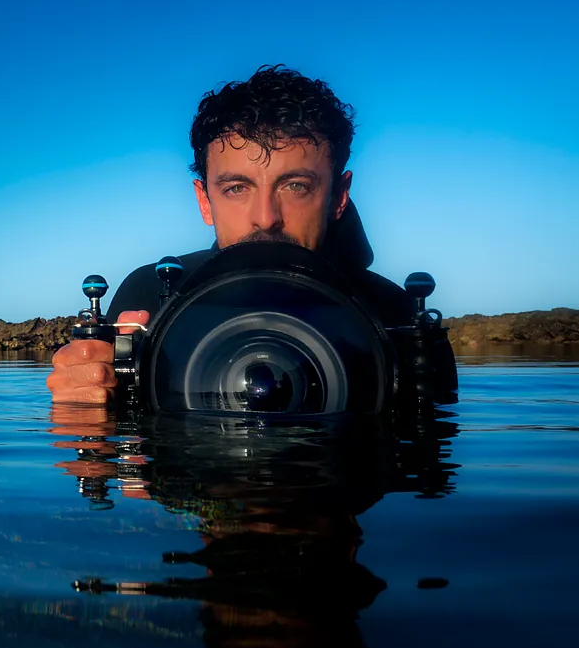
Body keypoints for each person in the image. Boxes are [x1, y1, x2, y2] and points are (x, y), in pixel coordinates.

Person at [47, 65, 418, 405]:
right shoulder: (148, 296)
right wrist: (83, 406)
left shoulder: (396, 314)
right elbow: (114, 449)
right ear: (204, 201)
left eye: (296, 186)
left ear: (338, 196)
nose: (266, 218)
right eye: (237, 188)